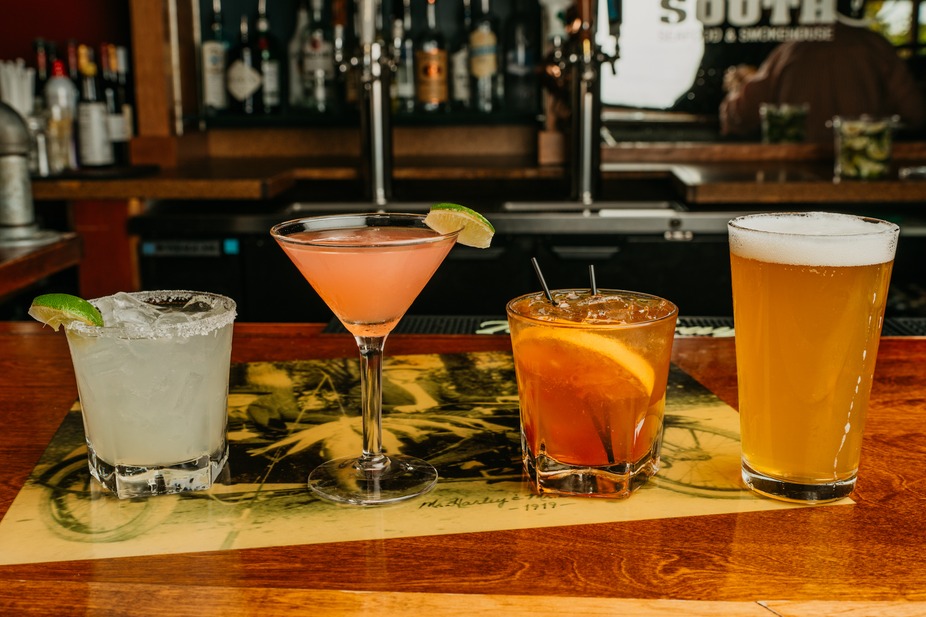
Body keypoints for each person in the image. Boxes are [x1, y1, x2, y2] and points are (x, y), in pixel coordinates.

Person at [719, 6, 926, 144]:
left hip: (798, 179)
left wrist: (739, 85)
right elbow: (916, 113)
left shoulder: (789, 52)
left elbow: (739, 117)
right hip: (864, 175)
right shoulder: (876, 46)